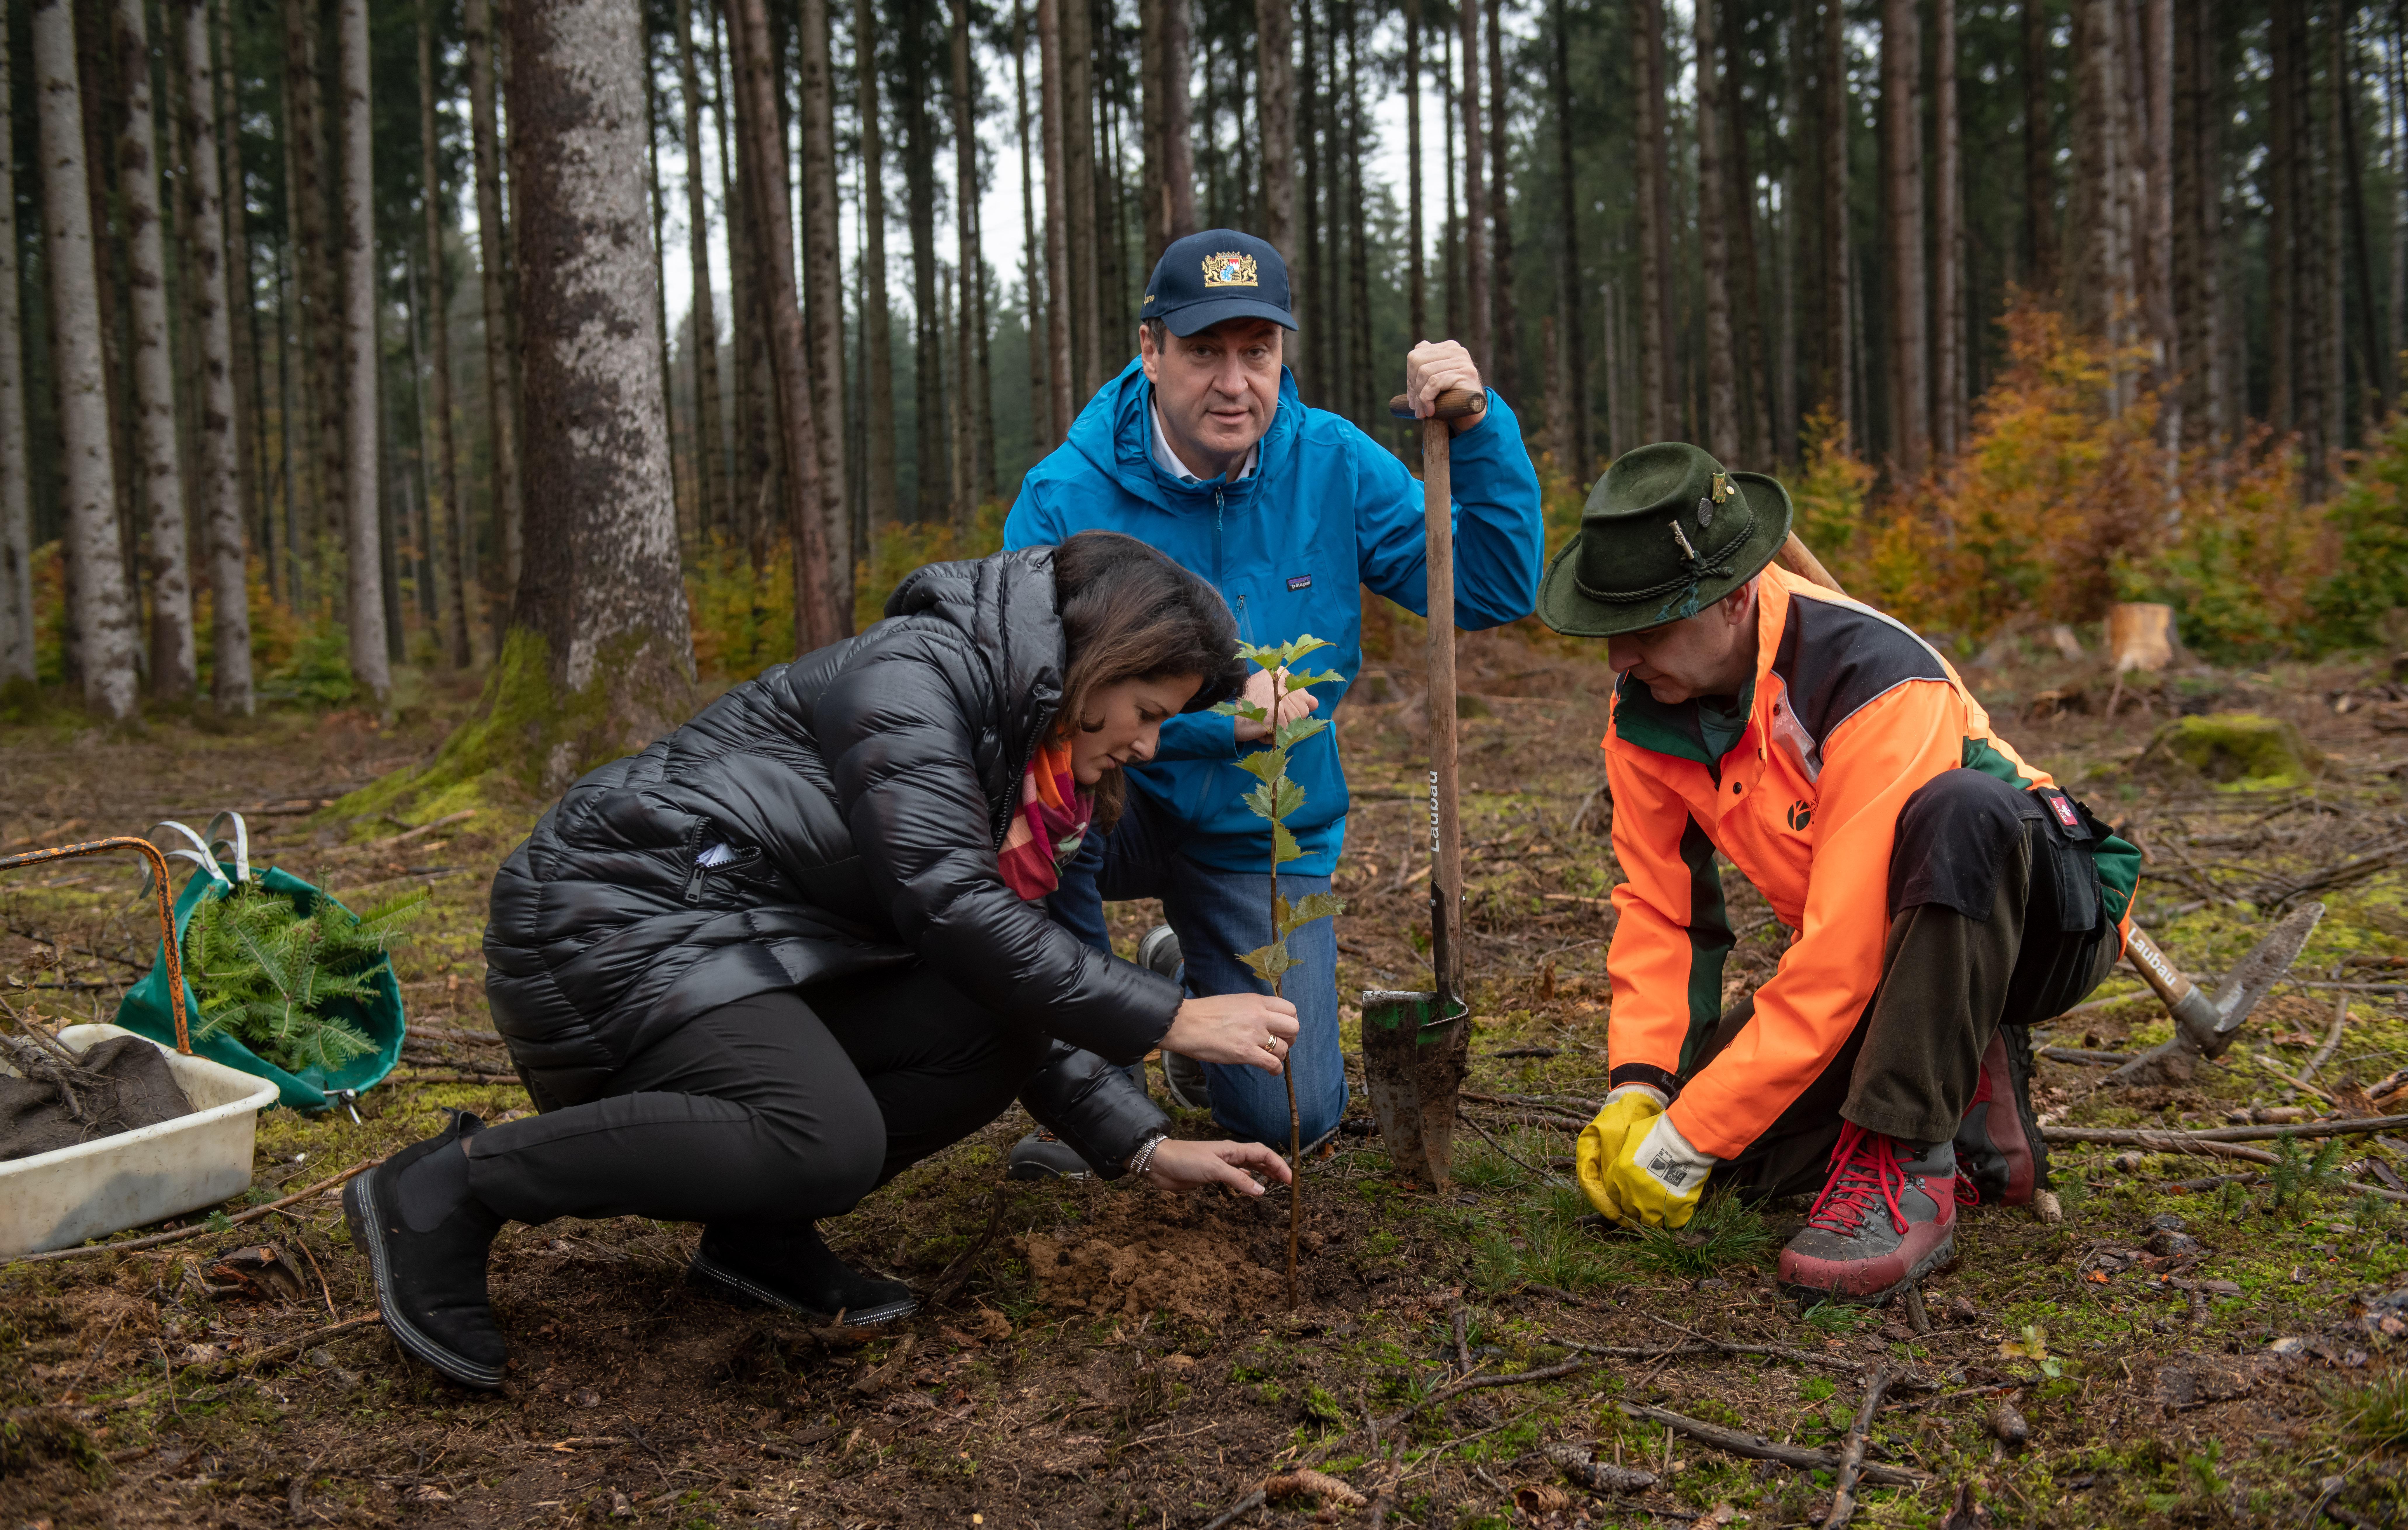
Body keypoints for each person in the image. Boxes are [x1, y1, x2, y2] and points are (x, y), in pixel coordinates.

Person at [344, 534, 1300, 1391]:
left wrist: (1140, 1143)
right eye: (1144, 709)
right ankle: (449, 1186)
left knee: (995, 1032)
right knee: (823, 1139)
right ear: (1102, 658)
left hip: (751, 945)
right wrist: (1169, 1015)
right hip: (614, 923)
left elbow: (1005, 964)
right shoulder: (919, 674)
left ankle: (758, 1238)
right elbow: (947, 900)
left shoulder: (1038, 770)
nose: (1148, 742)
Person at [1538, 443, 2141, 1301]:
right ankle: (1973, 1095)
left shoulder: (1878, 680)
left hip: (2038, 915)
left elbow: (1842, 961)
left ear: (1735, 597)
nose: (1618, 659)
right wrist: (1645, 1087)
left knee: (1960, 810)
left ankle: (1910, 1167)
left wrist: (1692, 1133)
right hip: (1892, 945)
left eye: (1646, 629)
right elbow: (1662, 913)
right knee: (1732, 1162)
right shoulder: (1646, 710)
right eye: (1609, 632)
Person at [1001, 228, 1545, 1172]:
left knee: (1294, 1118)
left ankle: (1184, 969)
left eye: (1257, 353)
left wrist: (1482, 424)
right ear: (1150, 349)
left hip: (1262, 820)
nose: (1233, 383)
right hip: (1113, 801)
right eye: (1205, 351)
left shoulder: (1329, 463)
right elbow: (1027, 700)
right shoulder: (1067, 494)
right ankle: (1104, 1095)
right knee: (1044, 823)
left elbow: (1492, 584)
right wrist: (1221, 720)